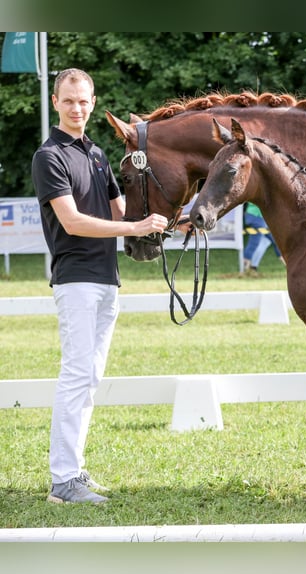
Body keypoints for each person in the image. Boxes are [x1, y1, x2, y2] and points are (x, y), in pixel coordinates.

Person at [31, 68, 169, 504]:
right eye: (69, 100)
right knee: (76, 376)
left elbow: (121, 211)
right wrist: (136, 224)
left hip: (107, 279)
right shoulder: (49, 156)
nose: (77, 108)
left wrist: (166, 220)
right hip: (75, 280)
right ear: (56, 102)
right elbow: (71, 222)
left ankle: (74, 471)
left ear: (93, 102)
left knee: (90, 377)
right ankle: (62, 483)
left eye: (84, 100)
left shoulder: (97, 154)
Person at [242, 201, 284, 276]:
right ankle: (244, 270)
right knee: (254, 244)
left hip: (257, 217)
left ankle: (289, 266)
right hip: (256, 217)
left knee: (276, 241)